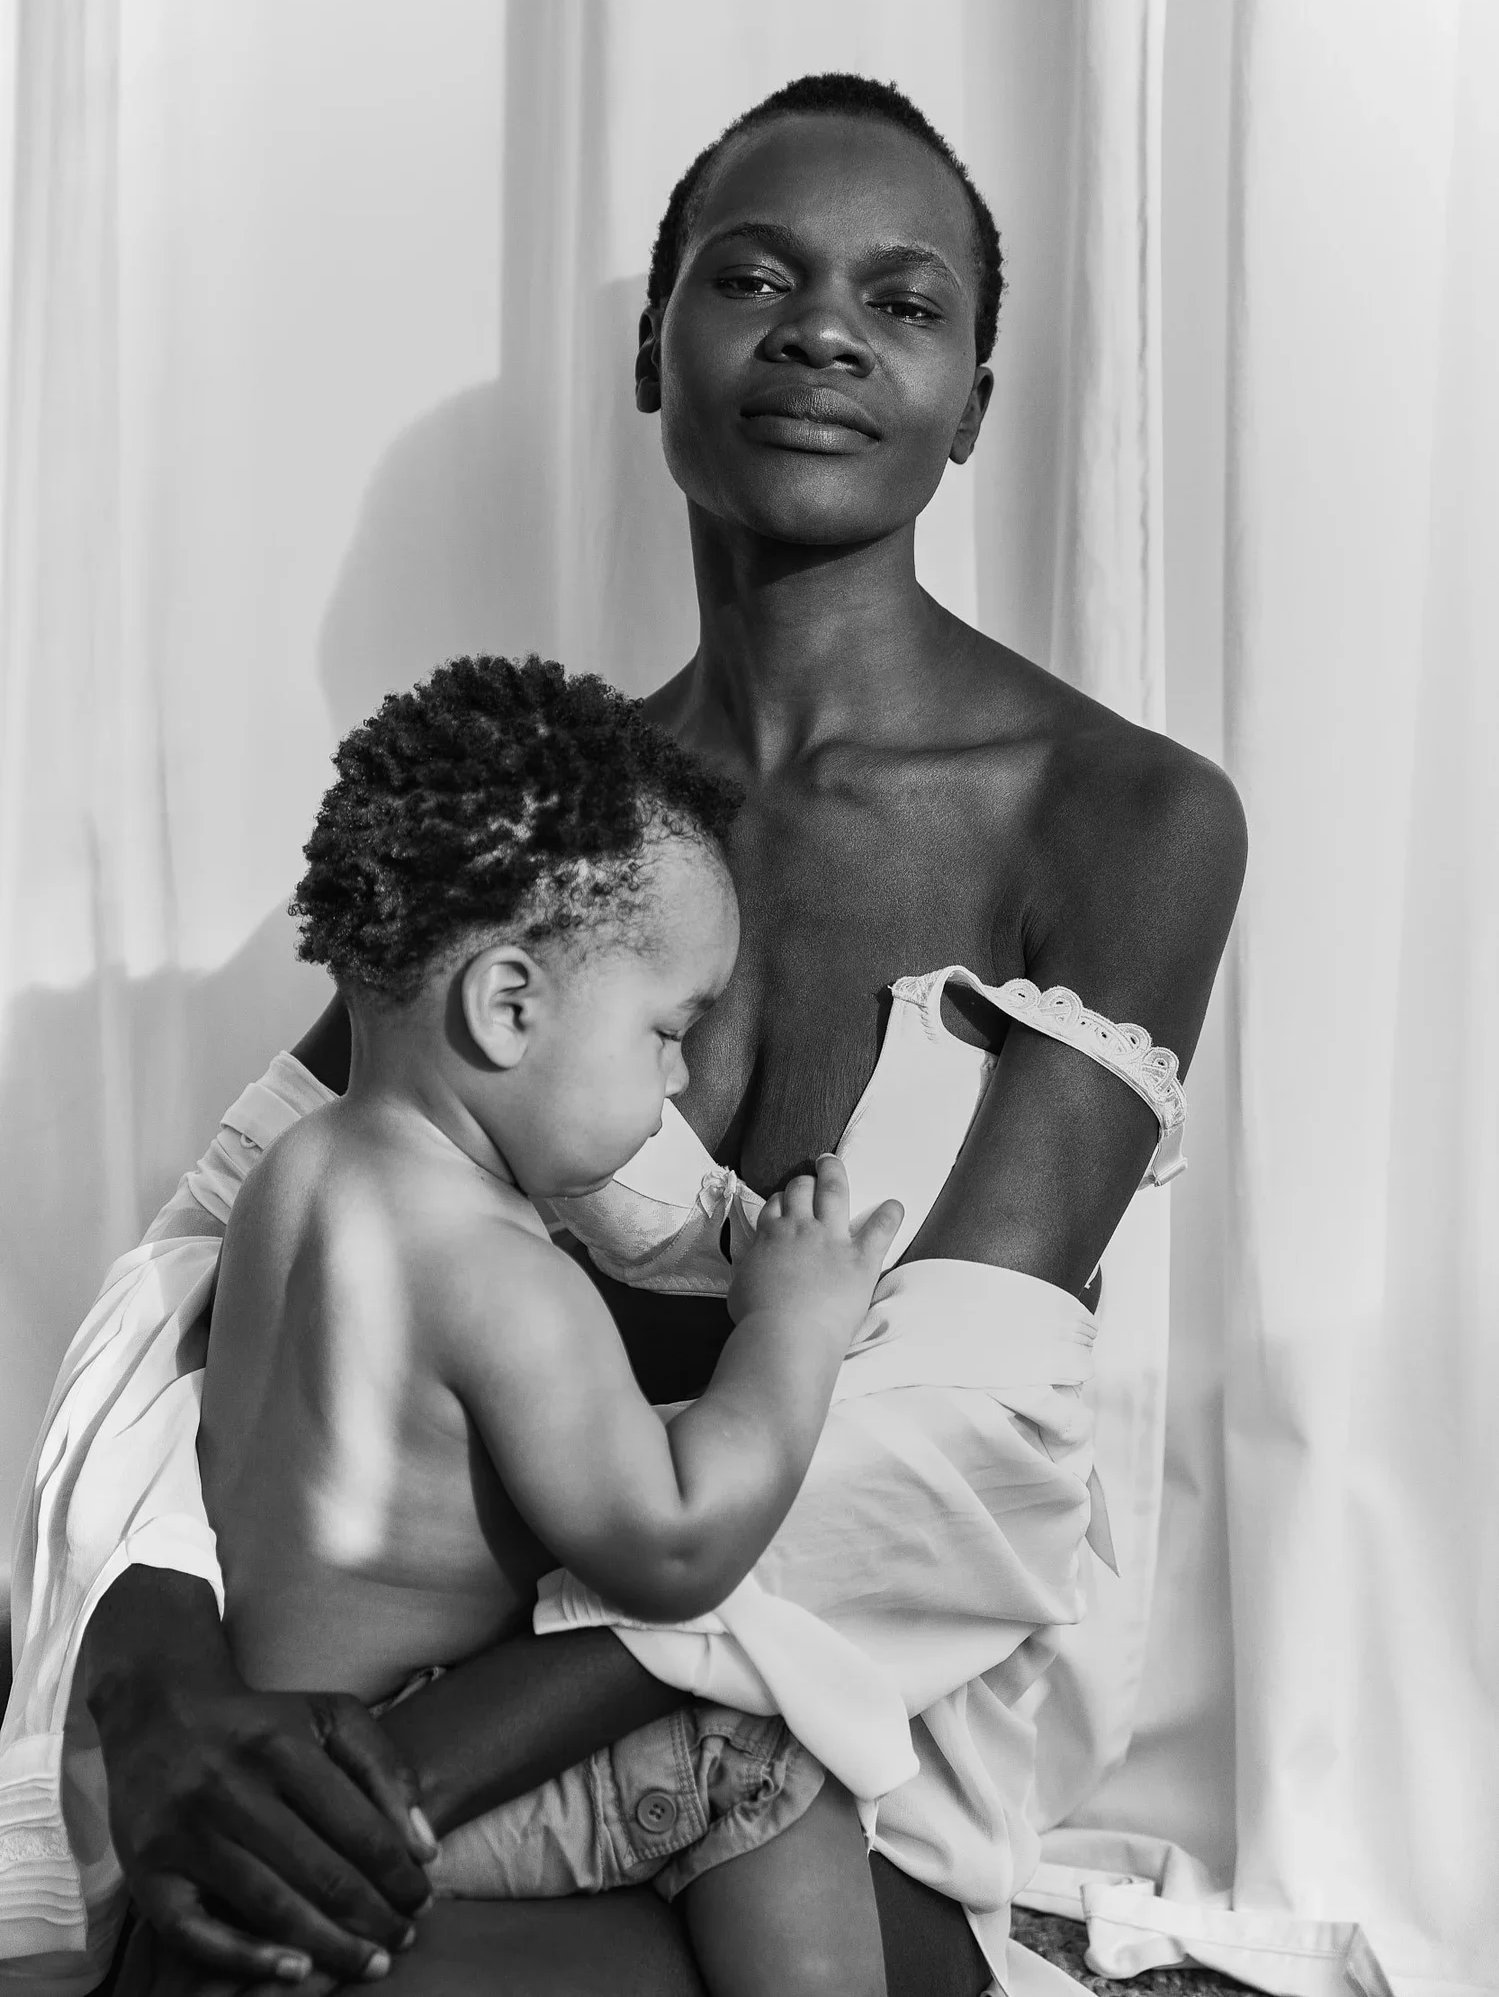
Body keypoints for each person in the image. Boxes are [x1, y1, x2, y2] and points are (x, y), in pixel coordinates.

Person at [2, 71, 1246, 1997]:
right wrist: (158, 1690)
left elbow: (941, 1447)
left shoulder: (1124, 819)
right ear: (651, 353)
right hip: (422, 1753)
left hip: (810, 1783)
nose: (823, 331)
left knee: (254, 1967)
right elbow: (195, 1285)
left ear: (975, 405)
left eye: (903, 302)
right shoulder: (556, 833)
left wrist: (374, 1786)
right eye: (752, 277)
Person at [197, 656, 901, 1997]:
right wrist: (791, 1327)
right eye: (667, 1031)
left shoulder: (295, 1176)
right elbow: (672, 1546)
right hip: (405, 1778)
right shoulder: (501, 1275)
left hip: (273, 1748)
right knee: (755, 1751)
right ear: (510, 1005)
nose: (680, 1080)